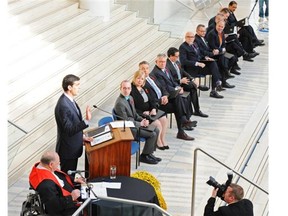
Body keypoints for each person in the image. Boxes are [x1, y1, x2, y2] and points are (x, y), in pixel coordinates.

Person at [139, 61, 195, 141]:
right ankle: (182, 126)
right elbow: (148, 99)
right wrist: (160, 100)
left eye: (147, 68)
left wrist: (165, 95)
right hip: (156, 105)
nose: (145, 70)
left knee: (178, 98)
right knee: (178, 106)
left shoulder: (152, 76)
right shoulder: (141, 82)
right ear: (139, 70)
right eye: (143, 69)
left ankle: (183, 124)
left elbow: (162, 88)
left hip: (163, 99)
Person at [114, 80, 162, 164]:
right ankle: (144, 156)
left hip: (134, 124)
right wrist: (140, 124)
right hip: (128, 129)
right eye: (124, 88)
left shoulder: (130, 98)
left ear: (131, 89)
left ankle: (149, 153)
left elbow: (135, 114)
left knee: (156, 130)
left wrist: (142, 120)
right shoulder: (120, 103)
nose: (126, 90)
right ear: (120, 89)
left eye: (128, 88)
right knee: (152, 134)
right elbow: (126, 121)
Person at [54, 74, 93, 174]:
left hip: (72, 147)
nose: (79, 87)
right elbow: (69, 130)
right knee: (67, 178)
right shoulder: (63, 105)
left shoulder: (69, 100)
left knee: (71, 177)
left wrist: (82, 137)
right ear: (69, 87)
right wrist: (86, 121)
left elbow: (73, 124)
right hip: (67, 150)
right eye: (77, 85)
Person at [29, 151, 85, 215]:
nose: (59, 163)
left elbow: (60, 176)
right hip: (65, 209)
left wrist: (75, 180)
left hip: (71, 193)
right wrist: (71, 197)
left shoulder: (43, 166)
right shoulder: (46, 185)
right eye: (58, 163)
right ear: (51, 164)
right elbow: (55, 207)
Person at [130, 70, 169, 150]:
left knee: (164, 119)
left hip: (151, 111)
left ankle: (162, 139)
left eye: (142, 79)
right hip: (141, 114)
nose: (140, 80)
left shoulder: (144, 87)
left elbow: (152, 100)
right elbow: (132, 108)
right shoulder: (131, 90)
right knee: (158, 124)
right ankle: (157, 142)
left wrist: (154, 108)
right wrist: (143, 113)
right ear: (134, 78)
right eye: (138, 78)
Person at [166, 47, 209, 117]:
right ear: (171, 56)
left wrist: (192, 79)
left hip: (183, 81)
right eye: (176, 56)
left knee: (193, 88)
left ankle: (196, 110)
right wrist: (180, 81)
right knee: (192, 87)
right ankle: (198, 87)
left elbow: (183, 71)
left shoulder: (177, 62)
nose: (178, 58)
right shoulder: (167, 65)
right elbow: (169, 79)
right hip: (175, 85)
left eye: (178, 56)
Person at [179, 31, 224, 99]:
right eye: (188, 37)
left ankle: (214, 89)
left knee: (213, 64)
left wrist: (206, 58)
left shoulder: (195, 44)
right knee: (214, 69)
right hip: (191, 69)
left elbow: (199, 55)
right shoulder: (183, 47)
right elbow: (183, 61)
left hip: (200, 66)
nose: (191, 38)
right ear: (185, 38)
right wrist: (197, 63)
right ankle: (216, 84)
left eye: (192, 37)